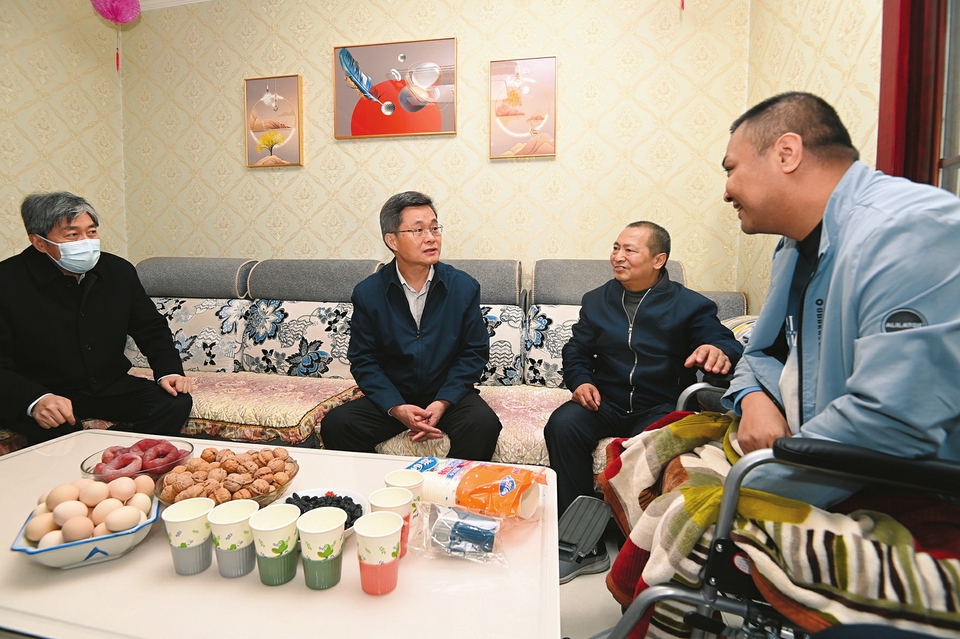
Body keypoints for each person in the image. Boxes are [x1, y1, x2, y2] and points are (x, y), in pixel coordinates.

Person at [721, 92, 960, 507]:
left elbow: (893, 424)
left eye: (731, 169)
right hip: (811, 456)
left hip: (908, 489)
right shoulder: (791, 249)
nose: (726, 192)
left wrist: (742, 492)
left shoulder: (910, 231)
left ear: (786, 153)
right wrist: (752, 398)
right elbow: (759, 351)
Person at [545, 221, 743, 583]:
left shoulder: (691, 306)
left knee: (657, 444)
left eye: (629, 250)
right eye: (615, 247)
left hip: (659, 403)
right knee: (563, 425)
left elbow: (724, 342)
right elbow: (576, 349)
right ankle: (580, 544)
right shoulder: (597, 299)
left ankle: (637, 547)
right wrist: (581, 380)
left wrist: (717, 349)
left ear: (658, 259)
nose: (617, 257)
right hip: (605, 398)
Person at [320, 191, 502, 460]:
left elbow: (474, 352)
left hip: (447, 395)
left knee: (482, 424)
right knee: (338, 424)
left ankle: (446, 485)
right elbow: (363, 359)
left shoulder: (463, 287)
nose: (431, 238)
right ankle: (383, 484)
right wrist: (395, 406)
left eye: (434, 228)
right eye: (418, 230)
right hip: (395, 395)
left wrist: (443, 401)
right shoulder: (369, 293)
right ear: (392, 240)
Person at [0, 192, 193, 445]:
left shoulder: (118, 271)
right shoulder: (7, 282)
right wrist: (34, 400)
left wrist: (168, 371)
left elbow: (150, 327)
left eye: (91, 232)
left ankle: (127, 459)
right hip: (43, 392)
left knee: (173, 403)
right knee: (58, 431)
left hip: (107, 387)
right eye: (72, 235)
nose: (86, 242)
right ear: (39, 243)